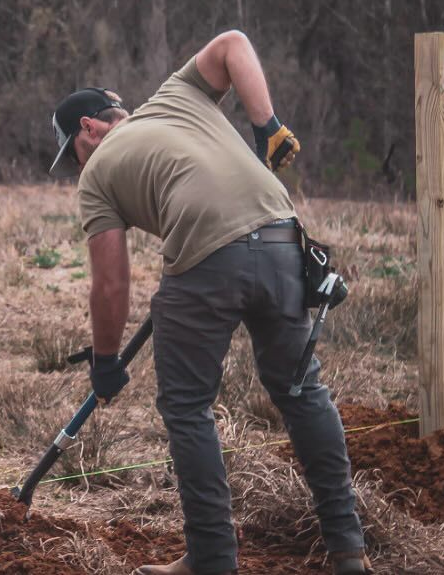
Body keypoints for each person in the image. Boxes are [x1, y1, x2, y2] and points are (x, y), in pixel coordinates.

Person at [48, 31, 369, 575]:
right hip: (283, 241)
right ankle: (347, 548)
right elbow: (233, 44)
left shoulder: (97, 174)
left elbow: (110, 284)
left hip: (207, 260)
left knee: (187, 408)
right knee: (300, 390)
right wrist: (266, 126)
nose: (78, 167)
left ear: (90, 127)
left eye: (73, 154)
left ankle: (212, 561)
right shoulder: (177, 94)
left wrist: (105, 363)